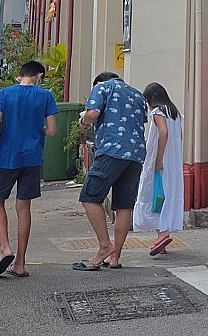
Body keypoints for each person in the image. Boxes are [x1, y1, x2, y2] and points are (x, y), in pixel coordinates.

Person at [0, 60, 58, 278]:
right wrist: (37, 130)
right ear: (39, 76)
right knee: (23, 207)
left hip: (8, 156)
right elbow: (52, 130)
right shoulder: (45, 96)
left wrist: (2, 143)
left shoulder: (5, 94)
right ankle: (20, 263)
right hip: (32, 157)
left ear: (21, 75)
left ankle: (5, 249)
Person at [74, 71, 147, 270]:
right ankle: (114, 257)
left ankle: (105, 246)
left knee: (90, 197)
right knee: (124, 205)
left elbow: (92, 114)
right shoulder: (137, 94)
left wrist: (83, 121)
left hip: (112, 149)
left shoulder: (103, 87)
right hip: (136, 154)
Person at [134, 82, 184, 257]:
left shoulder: (158, 112)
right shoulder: (175, 113)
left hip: (159, 159)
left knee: (150, 195)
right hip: (174, 162)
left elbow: (163, 133)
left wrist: (159, 158)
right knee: (165, 195)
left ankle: (162, 233)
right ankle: (162, 235)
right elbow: (178, 136)